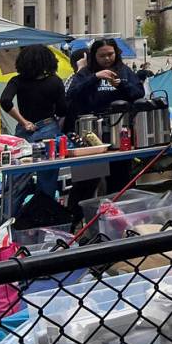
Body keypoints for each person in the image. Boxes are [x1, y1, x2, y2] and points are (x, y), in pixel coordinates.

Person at [65, 38, 145, 220]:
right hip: (90, 136)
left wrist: (122, 84)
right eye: (102, 56)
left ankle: (120, 220)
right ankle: (76, 221)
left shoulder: (124, 71)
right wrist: (95, 77)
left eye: (110, 54)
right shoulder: (86, 73)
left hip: (120, 133)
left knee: (120, 181)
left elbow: (139, 93)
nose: (107, 59)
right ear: (94, 56)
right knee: (86, 183)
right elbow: (71, 94)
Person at [0, 45, 67, 208]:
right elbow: (62, 110)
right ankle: (43, 219)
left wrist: (24, 122)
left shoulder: (17, 80)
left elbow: (5, 101)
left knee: (17, 180)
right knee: (47, 180)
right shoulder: (55, 81)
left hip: (24, 131)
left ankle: (7, 223)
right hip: (49, 128)